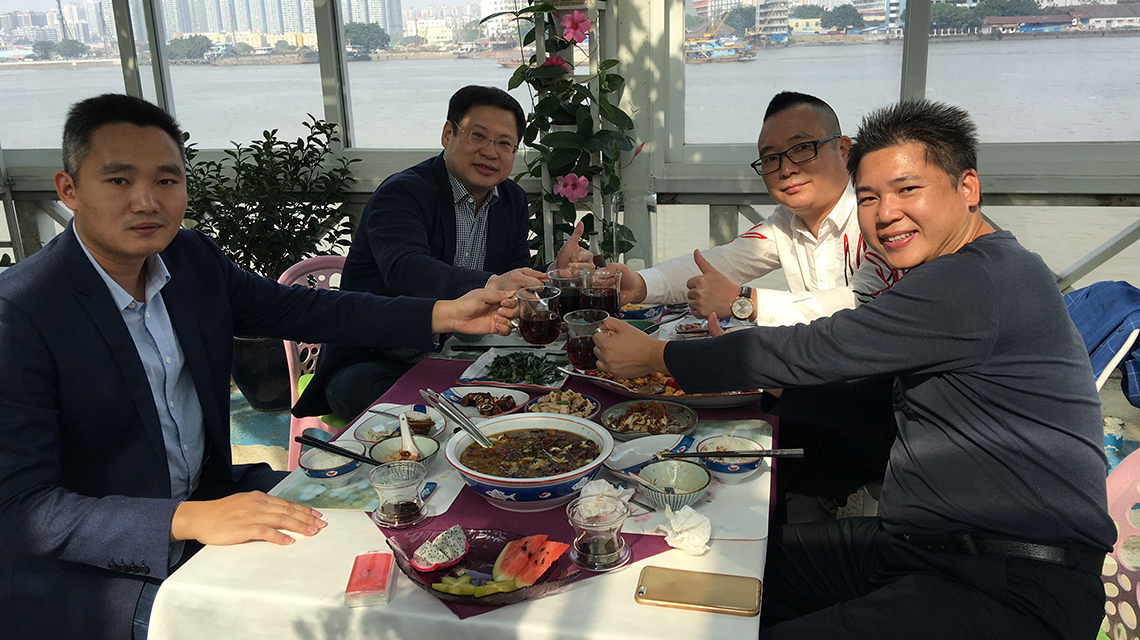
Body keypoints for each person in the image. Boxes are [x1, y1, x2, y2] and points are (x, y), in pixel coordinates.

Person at [591, 100, 1113, 638]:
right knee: (724, 564)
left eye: (908, 189)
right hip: (919, 546)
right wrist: (766, 379)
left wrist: (657, 357)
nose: (886, 213)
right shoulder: (940, 268)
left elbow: (822, 344)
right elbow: (871, 401)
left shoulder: (976, 278)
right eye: (869, 197)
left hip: (1014, 580)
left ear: (968, 187)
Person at [0, 94, 513, 640]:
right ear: (68, 189)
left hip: (211, 501)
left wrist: (446, 313)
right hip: (101, 576)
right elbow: (18, 508)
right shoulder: (21, 313)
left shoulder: (189, 260)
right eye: (119, 180)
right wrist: (188, 519)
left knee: (412, 518)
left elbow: (305, 308)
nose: (146, 201)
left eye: (167, 180)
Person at [294, 85, 592, 421]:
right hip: (377, 357)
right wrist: (492, 283)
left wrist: (554, 273)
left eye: (504, 143)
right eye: (478, 136)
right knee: (363, 391)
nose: (490, 152)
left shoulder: (511, 199)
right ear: (448, 134)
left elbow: (512, 277)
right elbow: (406, 269)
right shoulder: (402, 193)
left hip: (462, 353)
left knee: (549, 396)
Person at [610, 91, 900, 326]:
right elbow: (724, 261)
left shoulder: (881, 216)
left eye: (802, 148)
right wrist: (639, 284)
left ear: (844, 149)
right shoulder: (785, 223)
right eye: (771, 158)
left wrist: (745, 302)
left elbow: (863, 303)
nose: (786, 169)